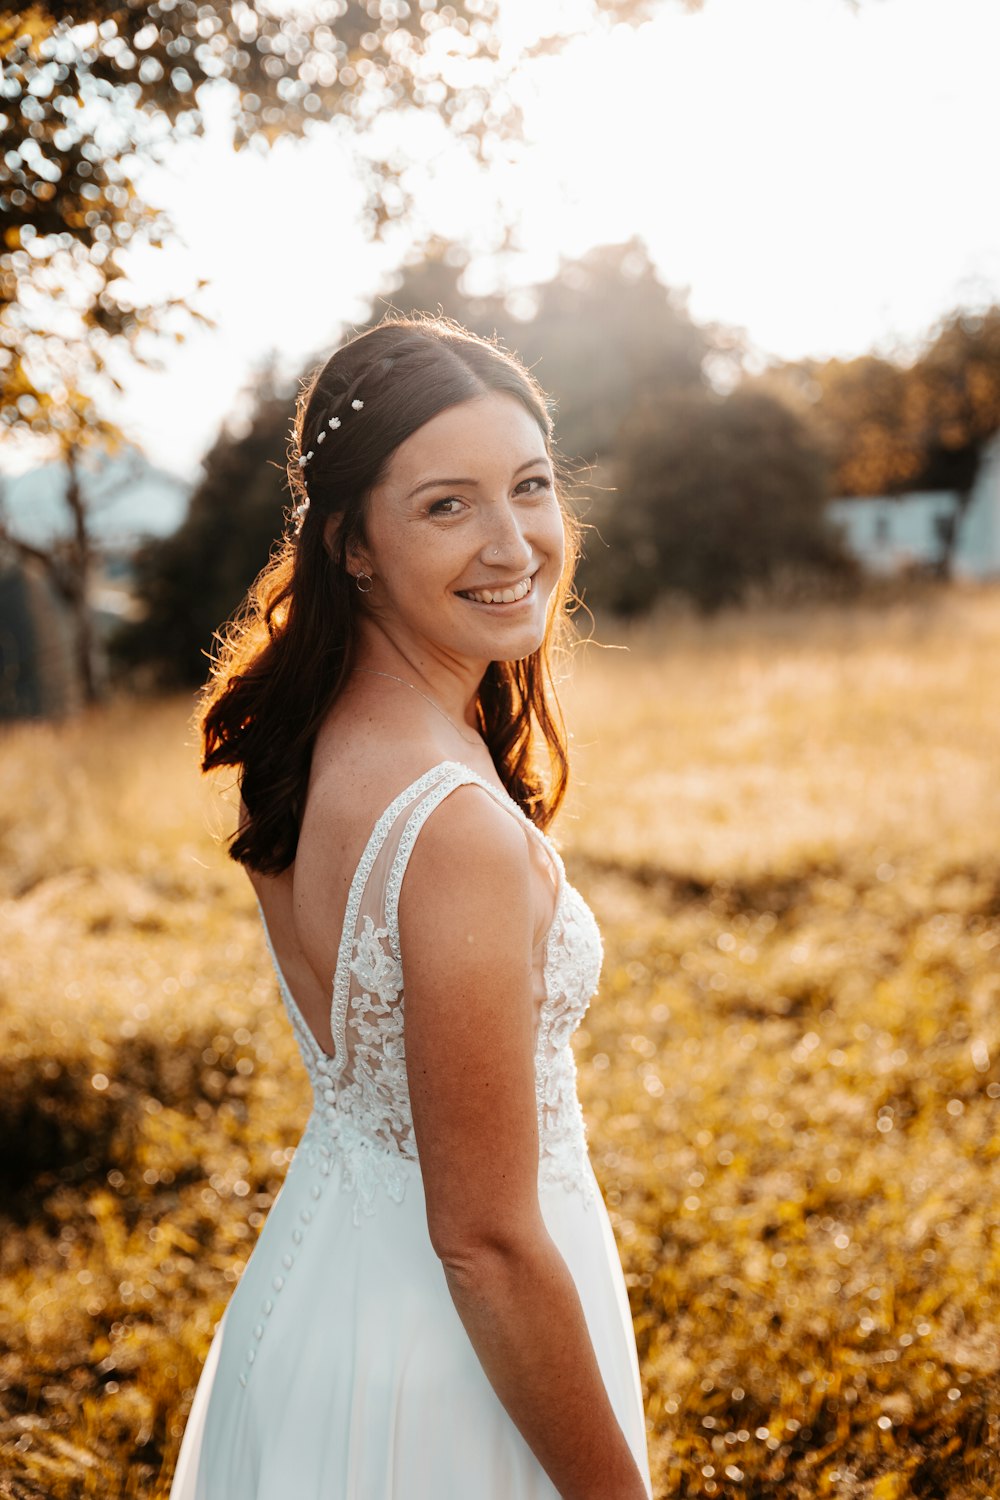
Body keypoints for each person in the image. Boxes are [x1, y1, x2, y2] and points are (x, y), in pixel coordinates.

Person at [168, 314, 653, 1500]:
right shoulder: (450, 828)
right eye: (447, 505)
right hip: (446, 1372)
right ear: (353, 545)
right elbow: (482, 1242)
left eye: (529, 487)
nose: (514, 542)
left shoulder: (313, 735)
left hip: (322, 1298)